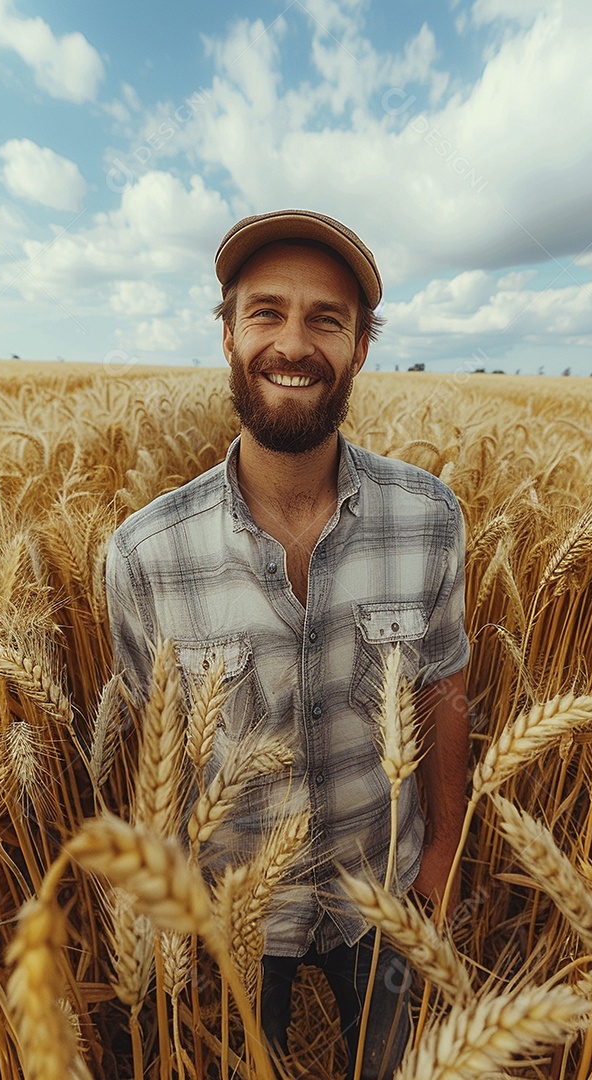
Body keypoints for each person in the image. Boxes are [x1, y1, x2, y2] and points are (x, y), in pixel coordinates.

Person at [105, 209, 470, 1079]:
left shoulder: (430, 519)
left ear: (360, 348)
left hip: (382, 886)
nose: (293, 344)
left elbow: (444, 685)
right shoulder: (146, 553)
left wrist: (447, 850)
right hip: (227, 914)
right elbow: (136, 739)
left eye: (326, 319)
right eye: (266, 312)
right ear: (227, 333)